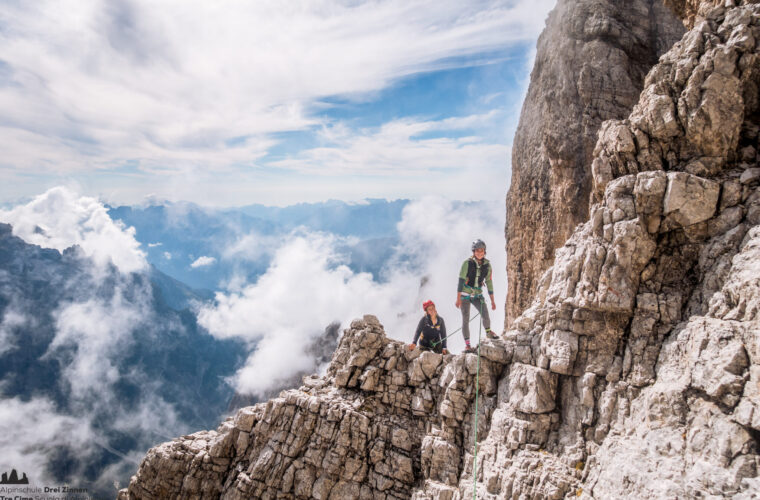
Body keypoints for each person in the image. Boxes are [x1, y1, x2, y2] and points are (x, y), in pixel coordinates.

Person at [456, 239, 497, 353]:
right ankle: (467, 345)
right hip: (465, 295)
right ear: (473, 252)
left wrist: (492, 301)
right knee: (465, 319)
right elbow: (461, 280)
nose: (480, 252)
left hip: (477, 295)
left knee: (485, 314)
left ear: (484, 252)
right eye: (477, 250)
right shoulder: (467, 263)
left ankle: (488, 332)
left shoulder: (487, 265)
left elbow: (489, 282)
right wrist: (458, 298)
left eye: (482, 250)